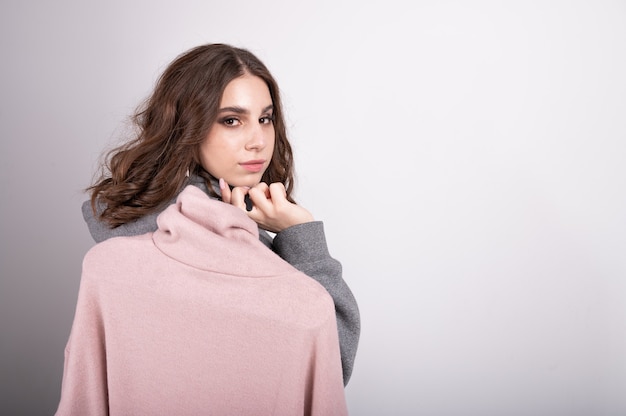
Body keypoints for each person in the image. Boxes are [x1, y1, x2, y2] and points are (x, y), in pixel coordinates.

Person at [81, 43, 360, 385]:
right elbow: (332, 361)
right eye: (231, 120)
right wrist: (301, 235)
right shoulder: (219, 245)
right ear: (187, 125)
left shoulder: (137, 226)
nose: (258, 140)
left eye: (265, 118)